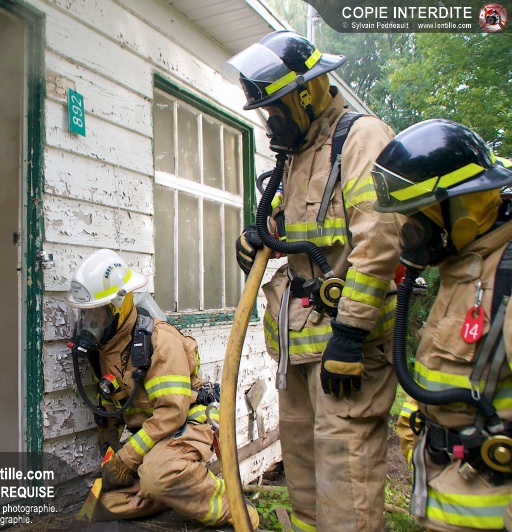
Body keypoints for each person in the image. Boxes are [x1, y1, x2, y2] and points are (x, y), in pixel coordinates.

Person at [223, 30, 401, 531]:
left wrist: (350, 334)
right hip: (299, 350)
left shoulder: (360, 139)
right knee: (304, 489)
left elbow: (379, 241)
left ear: (307, 93)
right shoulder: (298, 154)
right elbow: (291, 230)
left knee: (345, 491)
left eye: (275, 108)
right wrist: (256, 238)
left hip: (348, 350)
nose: (270, 121)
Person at [372, 119, 512, 531]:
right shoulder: (465, 268)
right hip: (451, 500)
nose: (410, 232)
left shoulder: (502, 278)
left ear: (462, 208)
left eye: (418, 216)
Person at [65, 248, 259, 528]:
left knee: (158, 475)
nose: (88, 324)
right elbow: (111, 402)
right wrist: (108, 440)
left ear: (119, 305)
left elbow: (172, 413)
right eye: (84, 315)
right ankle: (166, 490)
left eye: (96, 314)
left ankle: (233, 507)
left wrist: (127, 458)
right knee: (105, 502)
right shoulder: (103, 349)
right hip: (151, 439)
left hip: (185, 426)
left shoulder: (160, 341)